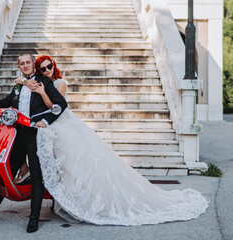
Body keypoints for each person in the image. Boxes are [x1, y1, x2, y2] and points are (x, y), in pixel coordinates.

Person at [21, 55, 209, 226]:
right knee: (64, 165)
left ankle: (87, 200)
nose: (47, 70)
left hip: (63, 125)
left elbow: (57, 107)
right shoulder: (39, 82)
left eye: (49, 66)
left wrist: (42, 92)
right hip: (52, 128)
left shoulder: (59, 83)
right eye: (43, 68)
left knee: (76, 164)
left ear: (54, 66)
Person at [0, 53, 67, 232]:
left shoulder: (43, 82)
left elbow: (60, 104)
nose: (26, 65)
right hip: (16, 132)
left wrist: (46, 121)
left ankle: (34, 218)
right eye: (22, 63)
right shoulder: (19, 84)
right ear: (19, 67)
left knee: (36, 174)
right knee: (9, 166)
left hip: (34, 133)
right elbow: (8, 101)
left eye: (28, 62)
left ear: (33, 65)